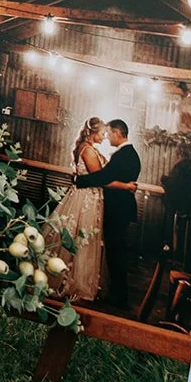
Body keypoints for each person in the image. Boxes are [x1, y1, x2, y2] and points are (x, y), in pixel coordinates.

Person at [74, 118, 141, 309]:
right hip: (119, 209)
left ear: (117, 134)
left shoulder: (124, 155)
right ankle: (118, 294)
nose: (107, 137)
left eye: (109, 133)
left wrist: (80, 181)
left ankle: (119, 297)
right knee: (115, 253)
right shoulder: (127, 154)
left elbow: (103, 177)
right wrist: (126, 186)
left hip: (118, 210)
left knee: (116, 254)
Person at [45, 117, 106, 301]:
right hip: (85, 198)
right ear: (94, 133)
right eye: (102, 134)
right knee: (81, 235)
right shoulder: (87, 150)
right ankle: (75, 282)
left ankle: (74, 277)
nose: (104, 137)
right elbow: (99, 176)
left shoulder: (90, 149)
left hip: (89, 196)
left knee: (80, 235)